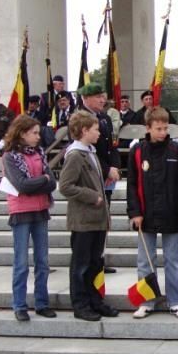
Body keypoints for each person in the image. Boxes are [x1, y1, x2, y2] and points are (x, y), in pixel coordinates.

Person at [127, 107, 178, 319]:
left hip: (170, 212)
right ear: (148, 128)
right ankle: (147, 302)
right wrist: (134, 212)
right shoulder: (137, 151)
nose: (163, 132)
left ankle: (176, 301)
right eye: (158, 128)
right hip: (145, 214)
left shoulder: (176, 150)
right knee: (145, 261)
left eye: (165, 128)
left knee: (174, 259)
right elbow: (132, 184)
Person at [59, 111, 118, 322]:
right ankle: (81, 304)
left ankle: (95, 300)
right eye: (95, 129)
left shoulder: (90, 152)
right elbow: (65, 186)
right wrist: (92, 196)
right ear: (84, 131)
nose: (99, 133)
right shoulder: (75, 155)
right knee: (81, 265)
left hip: (97, 218)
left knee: (94, 263)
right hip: (84, 220)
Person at [1, 115, 57, 322]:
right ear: (22, 133)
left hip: (40, 209)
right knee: (21, 262)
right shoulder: (10, 156)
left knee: (42, 261)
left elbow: (52, 182)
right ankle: (19, 304)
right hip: (20, 211)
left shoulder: (40, 153)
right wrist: (42, 180)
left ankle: (42, 303)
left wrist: (40, 182)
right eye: (34, 133)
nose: (38, 137)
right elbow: (21, 184)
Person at [77, 83, 121, 272]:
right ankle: (89, 262)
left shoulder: (105, 118)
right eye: (98, 97)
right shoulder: (79, 118)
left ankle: (99, 259)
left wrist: (115, 167)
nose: (103, 100)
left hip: (107, 174)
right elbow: (86, 151)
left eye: (103, 96)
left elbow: (112, 145)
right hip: (91, 175)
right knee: (91, 221)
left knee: (104, 217)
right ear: (86, 98)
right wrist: (106, 170)